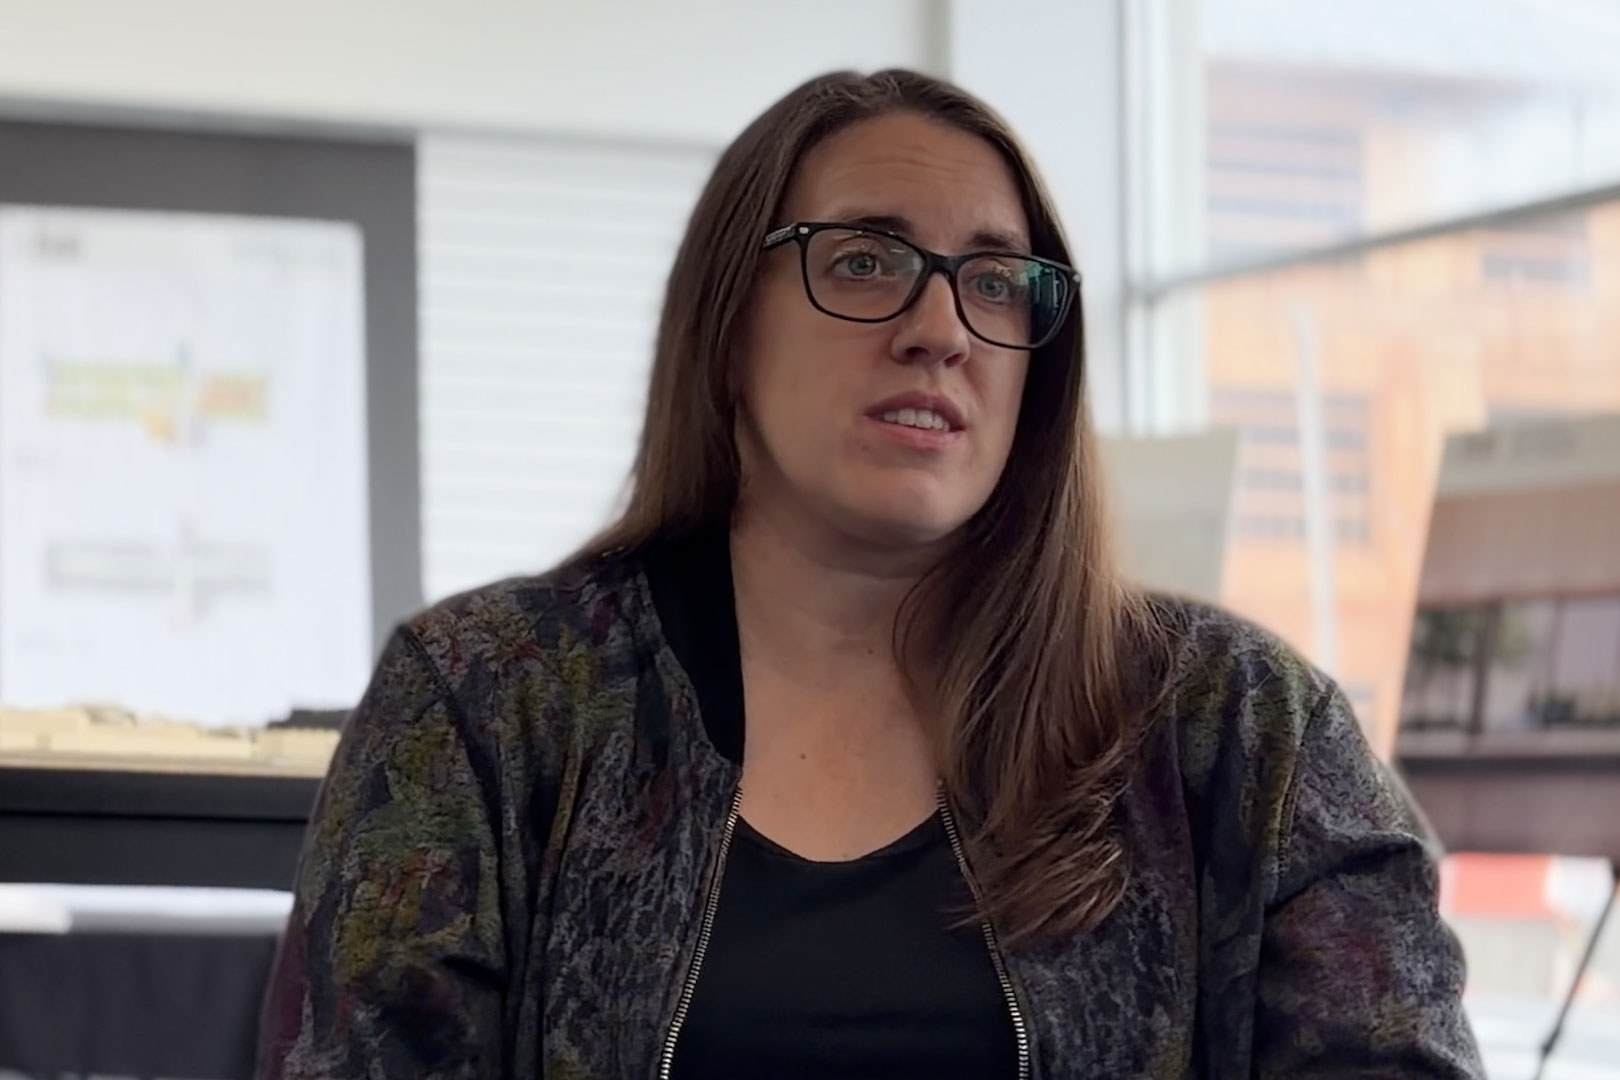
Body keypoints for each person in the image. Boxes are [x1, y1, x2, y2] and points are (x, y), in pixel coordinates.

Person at [257, 69, 1483, 1080]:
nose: (941, 329)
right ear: (728, 326)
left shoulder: (1238, 730)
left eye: (996, 281)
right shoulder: (491, 703)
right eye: (863, 261)